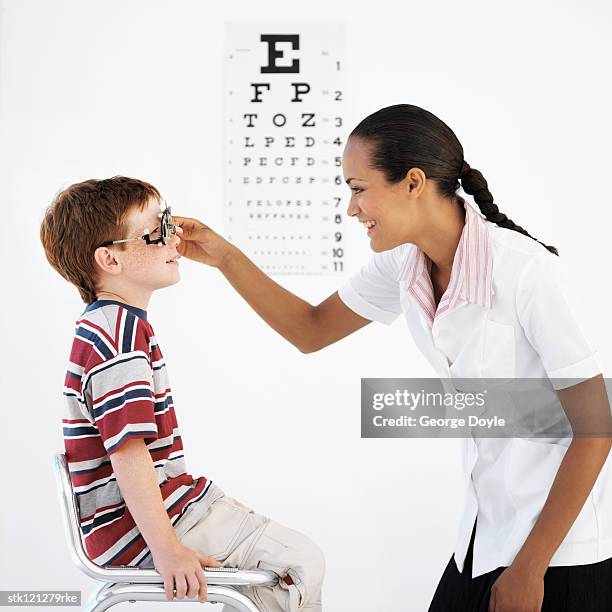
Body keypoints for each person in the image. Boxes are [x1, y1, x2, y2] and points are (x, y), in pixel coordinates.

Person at [174, 104, 612, 611]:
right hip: (483, 538)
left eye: (358, 188)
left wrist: (531, 567)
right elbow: (310, 329)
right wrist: (224, 256)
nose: (350, 208)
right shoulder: (403, 266)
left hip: (560, 556)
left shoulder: (525, 272)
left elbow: (596, 427)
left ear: (413, 182)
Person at [40, 176, 325, 611]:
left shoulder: (112, 325)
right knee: (299, 563)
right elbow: (128, 452)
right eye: (155, 230)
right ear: (110, 259)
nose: (172, 238)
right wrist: (167, 548)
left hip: (155, 511)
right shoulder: (117, 333)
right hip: (140, 527)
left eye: (169, 223)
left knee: (282, 569)